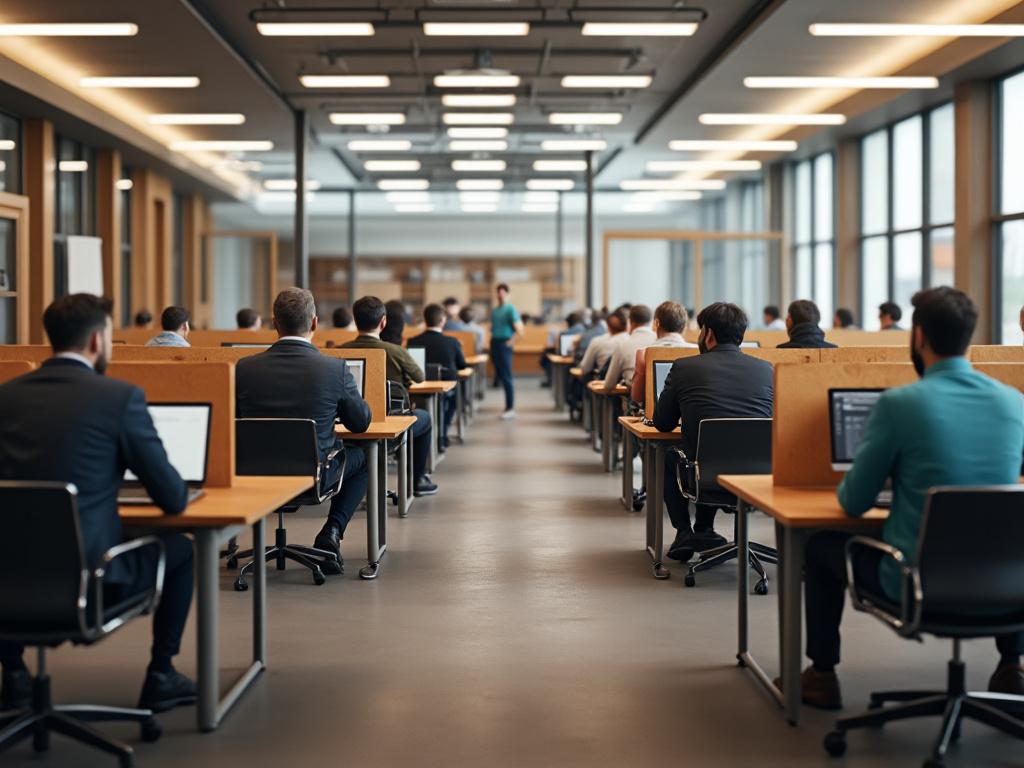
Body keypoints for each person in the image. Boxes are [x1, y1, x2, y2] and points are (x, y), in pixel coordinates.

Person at [796, 287, 1024, 710]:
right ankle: (1012, 664)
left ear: (918, 337)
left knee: (819, 545)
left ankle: (821, 676)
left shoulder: (901, 403)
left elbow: (853, 502)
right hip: (1009, 587)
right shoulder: (1015, 403)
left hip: (915, 583)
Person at [0, 294, 196, 714]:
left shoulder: (6, 396)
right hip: (91, 581)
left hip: (7, 580)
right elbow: (173, 498)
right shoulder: (118, 399)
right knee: (182, 548)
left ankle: (14, 675)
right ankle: (162, 674)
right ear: (96, 341)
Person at [236, 288, 372, 570]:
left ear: (274, 323)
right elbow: (360, 424)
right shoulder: (334, 369)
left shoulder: (244, 368)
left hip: (253, 475)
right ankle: (331, 531)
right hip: (313, 478)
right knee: (364, 458)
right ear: (314, 323)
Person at [652, 302, 773, 561]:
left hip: (704, 476)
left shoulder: (684, 367)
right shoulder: (767, 370)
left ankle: (685, 532)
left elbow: (662, 423)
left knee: (673, 455)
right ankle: (705, 529)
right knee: (717, 452)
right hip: (761, 477)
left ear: (708, 334)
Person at [342, 296, 437, 496]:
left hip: (347, 426)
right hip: (391, 424)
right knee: (425, 418)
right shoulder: (395, 351)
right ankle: (418, 479)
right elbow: (419, 378)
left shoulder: (340, 352)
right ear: (383, 322)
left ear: (356, 320)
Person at [408, 304, 467, 449]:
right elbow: (462, 365)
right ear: (443, 321)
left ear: (425, 320)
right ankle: (443, 433)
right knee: (452, 402)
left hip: (421, 389)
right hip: (447, 389)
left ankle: (430, 436)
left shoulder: (412, 341)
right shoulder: (452, 342)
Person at [631, 302, 696, 404]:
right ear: (684, 327)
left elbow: (637, 397)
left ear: (656, 323)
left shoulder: (644, 353)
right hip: (689, 415)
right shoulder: (697, 351)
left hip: (654, 417)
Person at [490, 283, 524, 420]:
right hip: (495, 343)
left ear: (508, 295)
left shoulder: (511, 309)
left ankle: (510, 408)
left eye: (503, 293)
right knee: (501, 376)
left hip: (504, 344)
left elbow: (520, 330)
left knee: (507, 377)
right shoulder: (495, 310)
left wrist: (510, 342)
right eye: (499, 293)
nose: (500, 295)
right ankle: (507, 407)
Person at [603, 304, 655, 389]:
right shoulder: (659, 341)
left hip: (632, 397)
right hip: (658, 397)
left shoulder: (622, 345)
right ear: (652, 321)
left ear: (630, 322)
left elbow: (609, 384)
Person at [541, 311, 585, 387]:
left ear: (568, 323)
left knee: (546, 355)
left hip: (568, 359)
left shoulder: (564, 333)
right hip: (582, 359)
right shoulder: (585, 331)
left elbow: (558, 351)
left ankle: (550, 380)